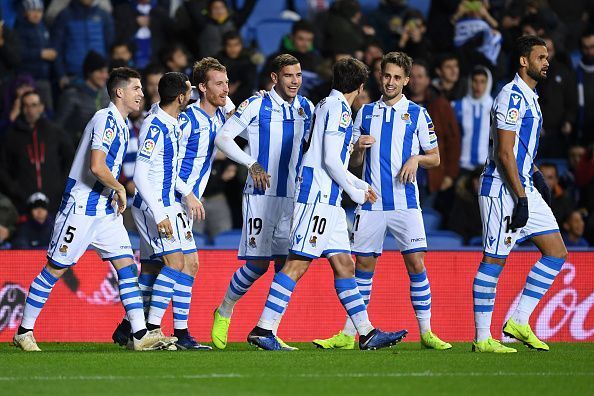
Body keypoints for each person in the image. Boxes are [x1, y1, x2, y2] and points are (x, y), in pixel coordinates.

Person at [245, 57, 408, 351]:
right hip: (318, 198)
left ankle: (367, 332)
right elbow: (331, 160)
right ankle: (263, 329)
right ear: (359, 87)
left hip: (328, 200)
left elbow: (330, 159)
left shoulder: (325, 105)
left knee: (345, 265)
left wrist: (357, 185)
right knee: (297, 263)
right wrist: (356, 191)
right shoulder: (340, 110)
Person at [13, 67, 172, 352]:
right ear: (119, 92)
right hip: (81, 208)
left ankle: (139, 334)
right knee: (55, 269)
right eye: (136, 88)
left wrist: (114, 192)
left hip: (104, 210)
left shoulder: (123, 125)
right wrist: (120, 188)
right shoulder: (106, 119)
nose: (141, 94)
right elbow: (96, 166)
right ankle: (24, 331)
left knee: (126, 265)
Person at [311, 52, 451, 351]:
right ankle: (350, 334)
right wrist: (357, 148)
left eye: (397, 77)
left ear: (407, 81)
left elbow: (436, 158)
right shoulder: (364, 113)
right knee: (363, 265)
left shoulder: (418, 113)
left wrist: (416, 158)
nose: (390, 82)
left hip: (405, 202)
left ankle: (427, 332)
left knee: (415, 263)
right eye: (386, 76)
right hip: (371, 202)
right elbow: (354, 160)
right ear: (380, 76)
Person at [211, 54, 315, 351]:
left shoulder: (306, 108)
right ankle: (224, 310)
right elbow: (224, 138)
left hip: (291, 198)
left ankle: (268, 331)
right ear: (274, 78)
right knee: (257, 265)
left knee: (286, 265)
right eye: (288, 75)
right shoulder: (256, 104)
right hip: (260, 193)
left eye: (298, 75)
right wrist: (251, 162)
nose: (295, 81)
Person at [473, 35, 568, 353]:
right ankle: (483, 337)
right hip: (502, 191)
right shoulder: (511, 96)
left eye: (547, 57)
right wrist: (523, 198)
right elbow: (504, 153)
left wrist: (537, 175)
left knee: (556, 252)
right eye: (541, 57)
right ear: (524, 61)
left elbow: (520, 148)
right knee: (494, 260)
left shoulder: (530, 96)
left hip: (523, 183)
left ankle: (519, 321)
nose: (546, 62)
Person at [128, 71, 203, 350]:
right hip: (153, 206)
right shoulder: (155, 126)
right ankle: (150, 330)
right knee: (175, 263)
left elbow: (168, 172)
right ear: (181, 96)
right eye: (189, 92)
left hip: (168, 203)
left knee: (177, 264)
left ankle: (132, 328)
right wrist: (159, 214)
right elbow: (140, 175)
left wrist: (187, 193)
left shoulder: (173, 121)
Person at [0, 90, 73, 214]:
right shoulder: (10, 136)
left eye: (34, 105)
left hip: (54, 200)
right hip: (22, 202)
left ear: (41, 107)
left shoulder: (55, 132)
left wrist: (61, 185)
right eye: (26, 106)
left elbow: (70, 158)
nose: (30, 110)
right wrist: (14, 190)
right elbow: (2, 167)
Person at [55, 51, 110, 146]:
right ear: (89, 72)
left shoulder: (107, 95)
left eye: (106, 72)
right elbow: (58, 127)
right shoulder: (71, 95)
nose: (105, 76)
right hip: (75, 150)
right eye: (101, 72)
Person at [13, 0, 56, 110]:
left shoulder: (43, 28)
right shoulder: (19, 29)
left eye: (39, 11)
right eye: (33, 10)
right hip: (26, 79)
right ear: (25, 12)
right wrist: (40, 54)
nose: (37, 14)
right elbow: (18, 54)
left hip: (44, 78)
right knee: (29, 110)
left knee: (47, 110)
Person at [452, 66, 493, 173]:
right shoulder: (457, 106)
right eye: (475, 81)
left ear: (488, 83)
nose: (478, 86)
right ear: (470, 82)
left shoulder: (495, 108)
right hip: (461, 167)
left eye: (482, 82)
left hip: (486, 167)